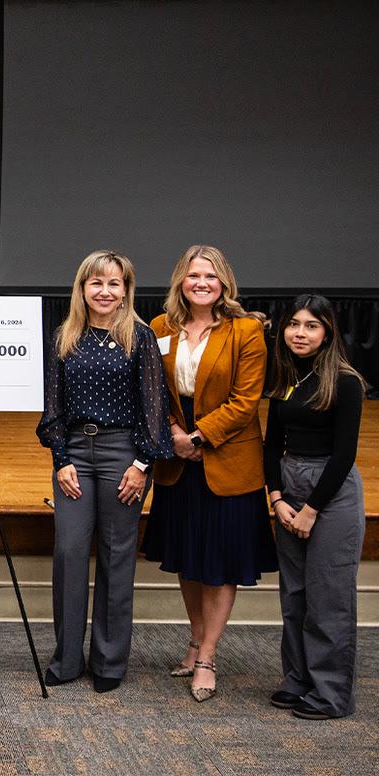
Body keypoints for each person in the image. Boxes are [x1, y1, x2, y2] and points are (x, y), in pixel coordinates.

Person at [141, 245, 276, 702]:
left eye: (211, 277)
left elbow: (246, 400)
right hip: (178, 461)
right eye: (194, 275)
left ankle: (207, 657)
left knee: (219, 565)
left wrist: (197, 438)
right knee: (187, 558)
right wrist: (177, 435)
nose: (202, 283)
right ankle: (194, 640)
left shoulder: (246, 330)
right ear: (182, 280)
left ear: (224, 284)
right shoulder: (161, 327)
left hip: (226, 458)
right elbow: (154, 390)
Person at [36, 250, 172, 693]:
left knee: (116, 558)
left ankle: (110, 662)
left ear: (126, 291)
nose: (105, 291)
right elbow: (52, 408)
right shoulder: (65, 336)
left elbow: (155, 408)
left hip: (123, 456)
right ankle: (67, 658)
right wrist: (62, 460)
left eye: (114, 284)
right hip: (75, 453)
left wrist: (141, 464)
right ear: (82, 288)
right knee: (69, 554)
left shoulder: (141, 337)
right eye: (96, 283)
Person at [264, 294, 366, 720]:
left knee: (329, 597)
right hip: (290, 484)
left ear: (327, 333)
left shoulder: (345, 381)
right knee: (296, 595)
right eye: (293, 324)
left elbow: (344, 455)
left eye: (311, 326)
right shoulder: (286, 376)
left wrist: (311, 510)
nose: (299, 333)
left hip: (332, 490)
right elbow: (271, 444)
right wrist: (277, 498)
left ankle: (330, 693)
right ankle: (299, 679)